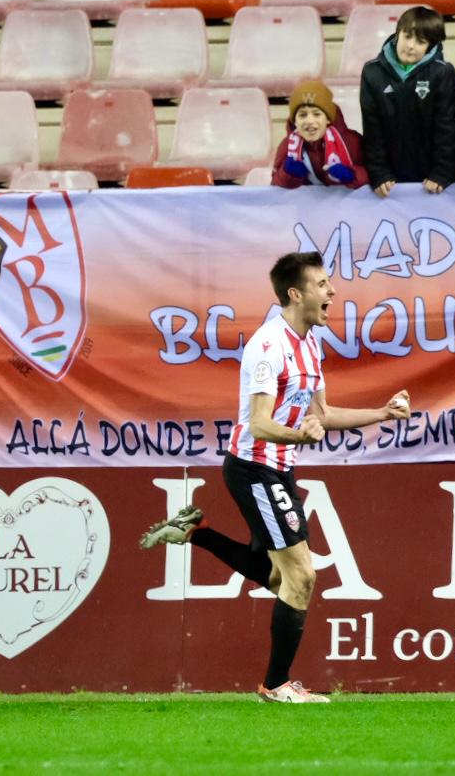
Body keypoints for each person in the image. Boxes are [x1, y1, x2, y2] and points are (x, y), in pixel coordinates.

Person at [139, 252, 411, 704]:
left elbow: (322, 415)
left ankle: (196, 533)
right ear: (295, 293)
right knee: (302, 577)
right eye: (323, 285)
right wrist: (298, 435)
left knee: (280, 580)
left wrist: (384, 412)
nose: (333, 293)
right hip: (255, 469)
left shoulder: (310, 344)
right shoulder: (268, 346)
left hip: (278, 469)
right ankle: (277, 685)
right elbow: (259, 423)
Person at [359, 6, 455, 198]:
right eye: (407, 36)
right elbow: (372, 129)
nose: (410, 45)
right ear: (398, 33)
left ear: (430, 45)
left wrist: (442, 172)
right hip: (389, 177)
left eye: (420, 41)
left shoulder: (443, 72)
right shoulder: (372, 72)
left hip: (431, 177)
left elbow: (447, 128)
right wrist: (379, 172)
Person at [272, 80, 369, 189]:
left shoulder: (352, 142)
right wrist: (288, 174)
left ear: (328, 119)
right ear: (295, 121)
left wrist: (352, 175)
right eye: (302, 115)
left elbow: (373, 178)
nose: (309, 121)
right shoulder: (287, 146)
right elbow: (275, 188)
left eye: (317, 114)